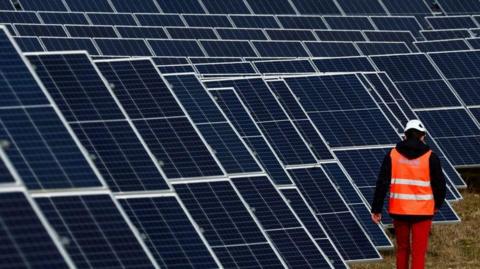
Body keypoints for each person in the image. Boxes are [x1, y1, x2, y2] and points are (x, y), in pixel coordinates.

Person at [371, 119, 446, 269]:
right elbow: (440, 186)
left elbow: (382, 183)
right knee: (418, 253)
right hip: (423, 212)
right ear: (422, 136)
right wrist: (437, 205)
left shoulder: (392, 155)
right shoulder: (431, 157)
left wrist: (376, 209)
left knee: (402, 250)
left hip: (399, 211)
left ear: (405, 136)